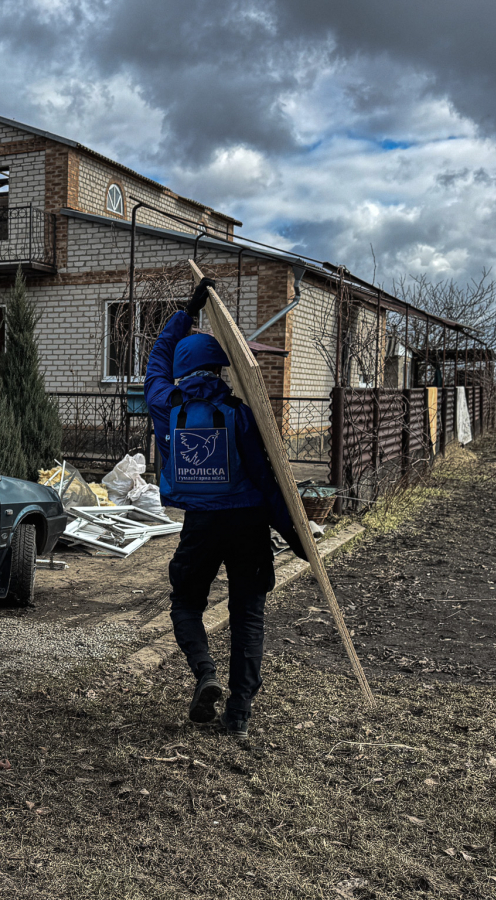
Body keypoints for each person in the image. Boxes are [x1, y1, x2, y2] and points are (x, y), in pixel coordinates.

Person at [145, 277, 306, 738]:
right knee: (247, 615)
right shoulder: (240, 413)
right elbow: (265, 477)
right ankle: (238, 715)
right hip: (249, 524)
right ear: (222, 368)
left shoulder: (164, 403)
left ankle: (204, 672)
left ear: (182, 371)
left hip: (201, 525)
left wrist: (185, 314)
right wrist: (294, 532)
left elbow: (156, 361)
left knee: (185, 603)